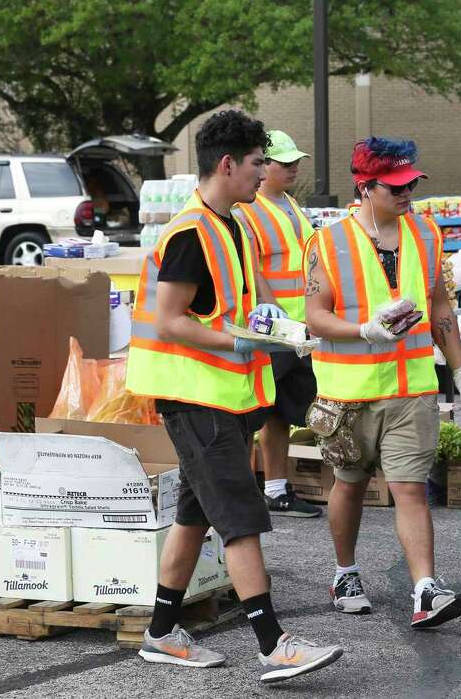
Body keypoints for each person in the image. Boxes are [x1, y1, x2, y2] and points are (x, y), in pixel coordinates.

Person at [126, 111, 342, 684]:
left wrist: (286, 329)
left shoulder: (236, 225)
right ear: (228, 165)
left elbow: (256, 296)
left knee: (194, 516)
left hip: (223, 393)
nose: (263, 172)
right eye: (256, 163)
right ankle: (274, 645)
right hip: (193, 396)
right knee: (241, 517)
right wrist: (240, 338)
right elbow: (171, 320)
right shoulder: (190, 234)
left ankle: (161, 633)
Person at [305, 137, 461, 628]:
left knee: (410, 488)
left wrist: (459, 366)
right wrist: (363, 330)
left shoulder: (426, 234)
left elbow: (440, 305)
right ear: (365, 187)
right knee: (349, 486)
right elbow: (315, 317)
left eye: (411, 184)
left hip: (412, 388)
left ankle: (426, 589)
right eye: (397, 187)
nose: (408, 194)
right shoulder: (328, 242)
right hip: (348, 393)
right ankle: (345, 572)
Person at [232, 129, 321, 519]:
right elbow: (254, 267)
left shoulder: (290, 203)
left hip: (297, 326)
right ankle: (250, 487)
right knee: (257, 410)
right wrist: (277, 314)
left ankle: (274, 489)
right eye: (284, 163)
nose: (294, 168)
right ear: (262, 166)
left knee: (281, 410)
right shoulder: (246, 210)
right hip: (274, 328)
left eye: (295, 161)